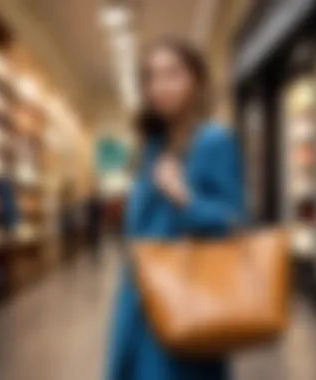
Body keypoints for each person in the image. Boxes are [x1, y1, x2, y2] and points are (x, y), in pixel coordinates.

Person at [105, 38, 247, 380]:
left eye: (172, 73)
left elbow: (234, 224)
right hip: (138, 305)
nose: (160, 86)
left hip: (184, 303)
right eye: (151, 77)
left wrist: (183, 195)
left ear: (196, 80)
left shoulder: (213, 140)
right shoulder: (153, 146)